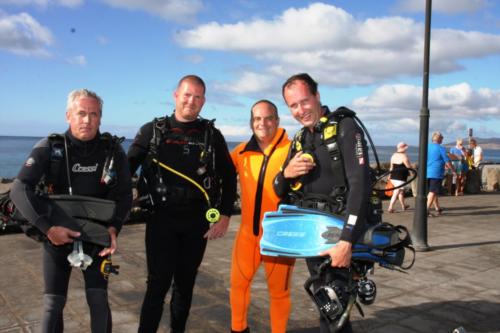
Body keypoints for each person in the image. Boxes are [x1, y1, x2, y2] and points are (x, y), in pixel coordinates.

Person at [9, 89, 133, 333]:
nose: (87, 120)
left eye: (94, 114)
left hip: (97, 237)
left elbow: (125, 194)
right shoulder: (50, 147)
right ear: (68, 115)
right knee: (52, 304)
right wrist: (48, 229)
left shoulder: (112, 150)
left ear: (100, 117)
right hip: (56, 233)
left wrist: (114, 227)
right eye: (81, 113)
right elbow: (19, 188)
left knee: (98, 301)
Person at [127, 75, 237, 333]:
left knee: (184, 286)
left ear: (204, 101)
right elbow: (124, 169)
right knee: (157, 285)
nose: (192, 101)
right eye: (187, 95)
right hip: (161, 220)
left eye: (198, 97)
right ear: (175, 95)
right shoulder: (152, 131)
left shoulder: (211, 135)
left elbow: (229, 176)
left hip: (196, 221)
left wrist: (224, 215)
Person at [273, 73, 371, 333]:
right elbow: (278, 188)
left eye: (304, 102)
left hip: (340, 235)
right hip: (313, 235)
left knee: (334, 311)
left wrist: (346, 241)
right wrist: (287, 173)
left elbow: (360, 185)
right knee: (327, 307)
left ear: (317, 96)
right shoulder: (301, 139)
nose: (300, 110)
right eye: (293, 106)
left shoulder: (346, 127)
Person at [229, 100, 295, 333]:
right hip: (248, 234)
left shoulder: (292, 149)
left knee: (279, 293)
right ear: (251, 122)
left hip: (279, 237)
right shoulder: (241, 152)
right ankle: (238, 329)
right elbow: (218, 172)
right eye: (257, 118)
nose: (262, 123)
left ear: (277, 121)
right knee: (238, 285)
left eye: (268, 118)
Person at [427, 131, 455, 216]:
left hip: (427, 172)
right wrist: (453, 171)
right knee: (432, 191)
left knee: (433, 191)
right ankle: (426, 210)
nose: (442, 140)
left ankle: (437, 207)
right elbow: (447, 161)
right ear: (439, 139)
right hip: (436, 172)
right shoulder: (440, 148)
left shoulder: (427, 147)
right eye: (442, 138)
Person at [387, 142, 411, 213]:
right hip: (400, 177)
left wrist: (389, 176)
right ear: (403, 147)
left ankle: (404, 205)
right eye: (406, 148)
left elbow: (391, 167)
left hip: (393, 176)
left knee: (400, 191)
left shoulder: (393, 155)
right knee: (396, 192)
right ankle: (390, 207)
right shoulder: (404, 156)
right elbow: (409, 167)